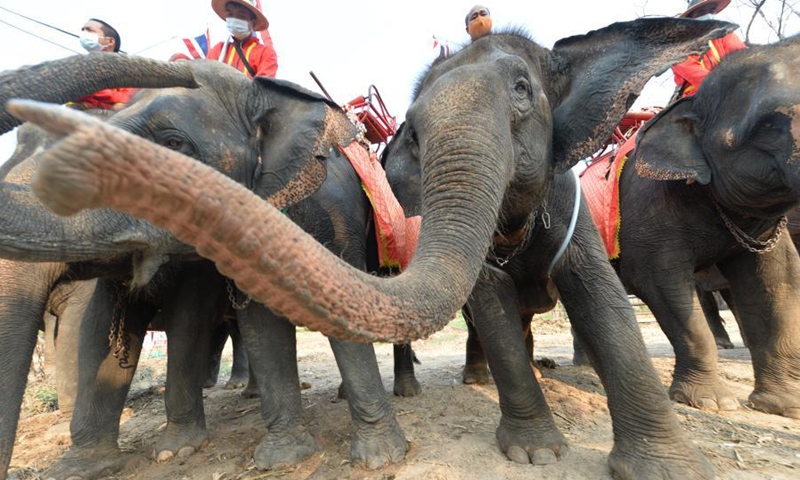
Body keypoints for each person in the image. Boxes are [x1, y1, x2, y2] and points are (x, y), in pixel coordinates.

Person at [671, 0, 746, 98]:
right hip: (694, 98)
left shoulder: (725, 35)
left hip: (732, 92)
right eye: (702, 12)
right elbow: (696, 75)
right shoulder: (678, 46)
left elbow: (743, 59)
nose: (708, 15)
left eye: (712, 10)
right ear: (691, 18)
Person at [71, 18, 135, 110]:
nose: (84, 33)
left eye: (90, 30)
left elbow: (129, 100)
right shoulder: (77, 67)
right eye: (83, 30)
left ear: (110, 41)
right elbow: (73, 92)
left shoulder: (129, 69)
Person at [207, 0, 278, 78]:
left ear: (253, 23)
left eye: (241, 15)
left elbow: (262, 88)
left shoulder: (265, 53)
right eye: (230, 14)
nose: (234, 19)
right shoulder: (218, 49)